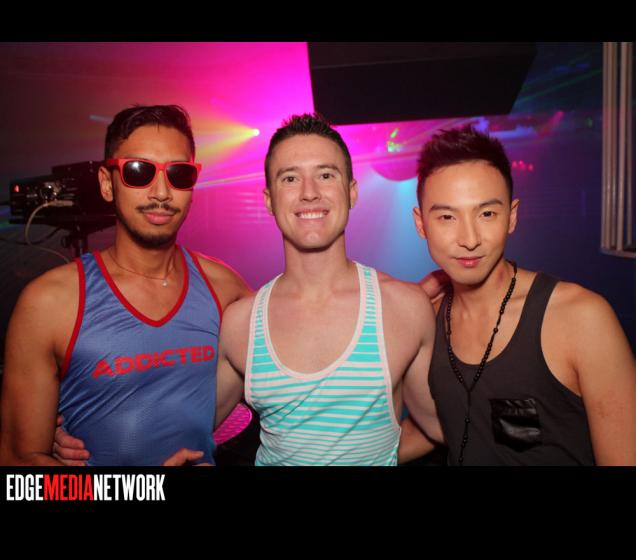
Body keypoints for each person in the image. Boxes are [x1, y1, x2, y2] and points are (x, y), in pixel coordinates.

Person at [0, 105, 250, 466]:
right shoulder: (49, 303)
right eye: (138, 171)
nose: (162, 192)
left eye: (178, 174)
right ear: (107, 183)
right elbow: (17, 463)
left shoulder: (228, 291)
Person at [213, 113, 443, 465]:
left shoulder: (404, 307)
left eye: (325, 175)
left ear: (351, 192)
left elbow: (440, 427)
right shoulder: (241, 322)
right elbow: (189, 428)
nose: (309, 192)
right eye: (290, 178)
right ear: (269, 200)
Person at [401, 124, 636, 466]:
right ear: (421, 224)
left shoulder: (579, 318)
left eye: (487, 214)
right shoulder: (427, 320)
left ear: (511, 217)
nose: (469, 239)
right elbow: (440, 426)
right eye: (447, 217)